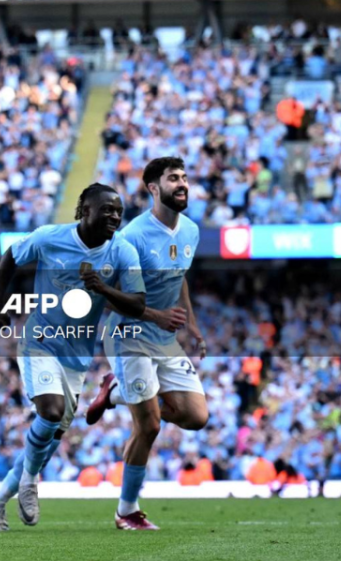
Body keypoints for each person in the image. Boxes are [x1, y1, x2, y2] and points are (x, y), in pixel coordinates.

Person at [0, 183, 148, 532]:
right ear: (84, 211)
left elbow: (137, 304)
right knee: (51, 411)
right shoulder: (49, 238)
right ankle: (29, 481)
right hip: (40, 340)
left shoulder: (122, 253)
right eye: (107, 210)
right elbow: (11, 255)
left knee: (49, 441)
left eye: (118, 211)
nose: (115, 216)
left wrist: (102, 287)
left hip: (77, 357)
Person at [84, 156, 209, 531]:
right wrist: (156, 316)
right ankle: (127, 511)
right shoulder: (132, 236)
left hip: (165, 338)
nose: (182, 183)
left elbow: (179, 277)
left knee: (196, 416)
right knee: (149, 425)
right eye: (174, 179)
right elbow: (104, 293)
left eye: (185, 177)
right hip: (128, 336)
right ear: (153, 188)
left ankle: (116, 391)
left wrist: (194, 326)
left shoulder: (190, 231)